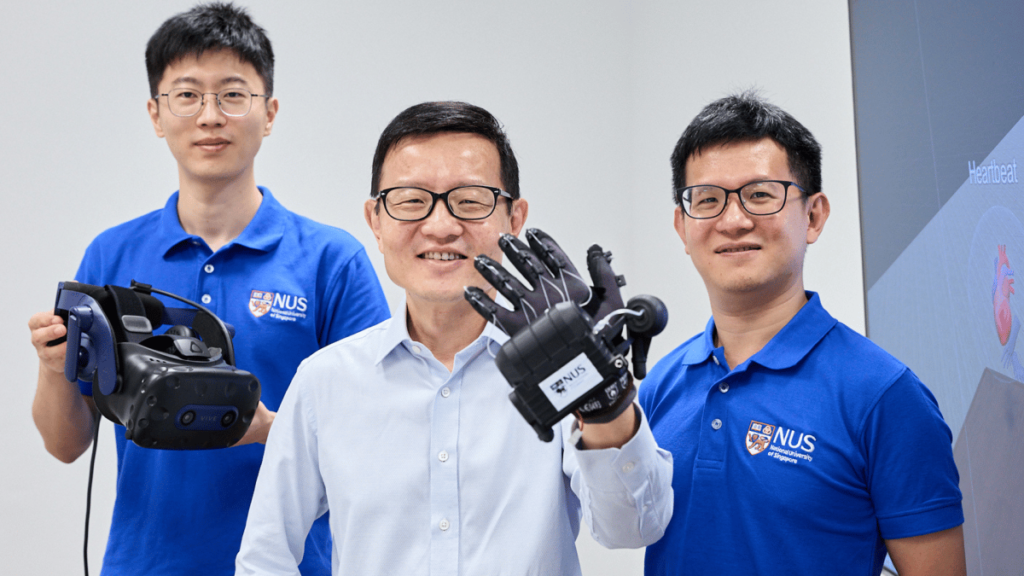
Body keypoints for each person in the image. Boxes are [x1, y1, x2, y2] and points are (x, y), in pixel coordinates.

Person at [236, 101, 674, 575]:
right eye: (410, 200)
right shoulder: (325, 382)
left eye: (470, 201)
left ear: (514, 218)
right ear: (375, 221)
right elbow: (266, 556)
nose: (442, 226)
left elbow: (630, 530)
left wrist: (602, 400)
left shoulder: (559, 362)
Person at [27, 4, 389, 575]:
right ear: (155, 112)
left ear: (269, 113)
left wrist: (268, 429)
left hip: (292, 565)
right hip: (144, 563)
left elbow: (383, 437)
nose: (210, 116)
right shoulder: (111, 255)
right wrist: (53, 368)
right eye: (187, 95)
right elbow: (65, 444)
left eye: (233, 94)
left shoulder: (330, 260)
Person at [637, 91, 966, 576]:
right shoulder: (661, 384)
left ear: (813, 216)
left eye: (760, 194)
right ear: (682, 227)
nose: (733, 220)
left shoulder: (884, 396)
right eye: (707, 200)